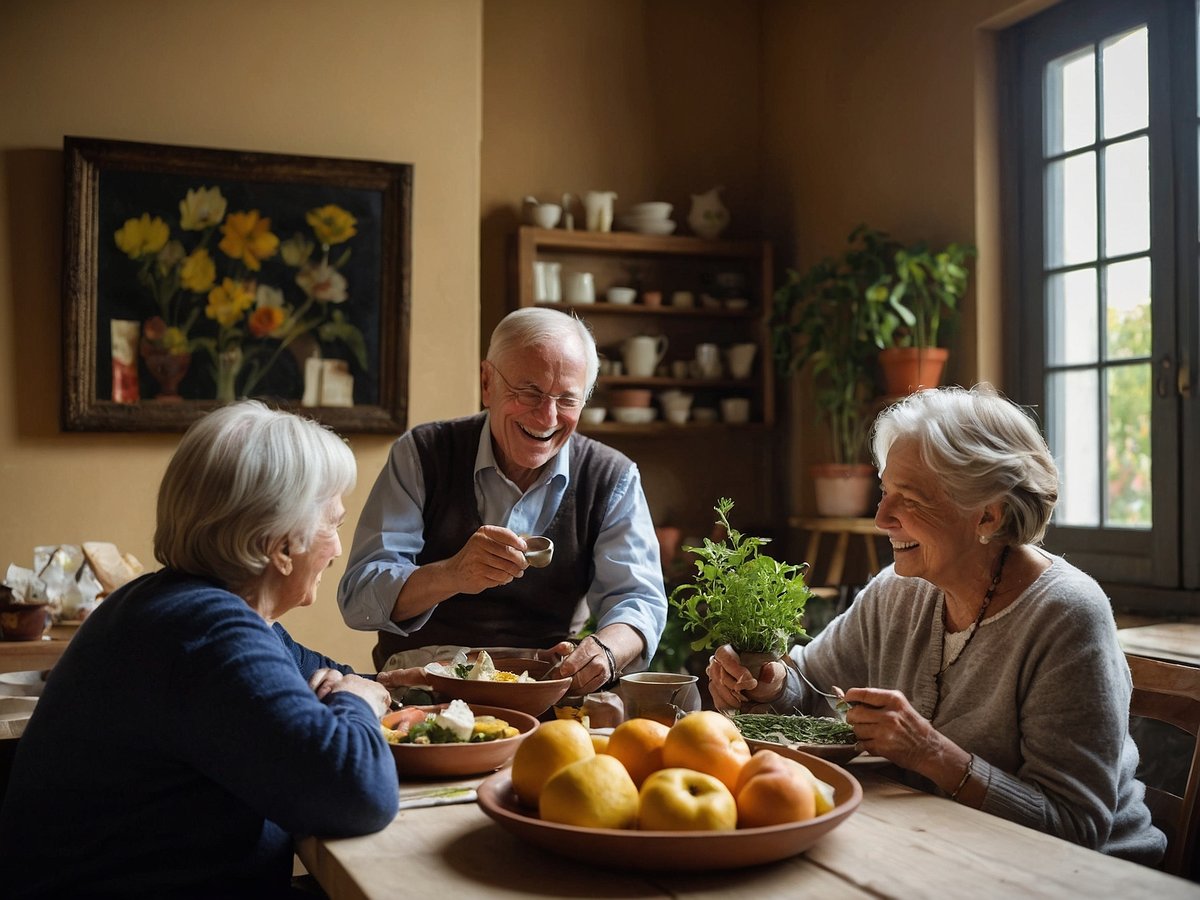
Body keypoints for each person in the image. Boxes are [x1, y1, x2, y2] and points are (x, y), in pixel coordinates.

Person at [707, 385, 1165, 865]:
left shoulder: (1066, 614)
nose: (881, 518)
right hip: (942, 848)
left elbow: (1076, 828)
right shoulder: (898, 590)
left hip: (1082, 879)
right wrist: (770, 686)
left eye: (909, 499)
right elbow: (809, 685)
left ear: (987, 514)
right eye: (885, 492)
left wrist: (930, 752)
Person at [0, 402, 402, 899]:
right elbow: (358, 794)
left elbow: (324, 674)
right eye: (333, 525)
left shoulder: (177, 602)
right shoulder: (205, 632)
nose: (338, 550)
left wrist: (358, 691)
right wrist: (356, 703)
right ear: (280, 545)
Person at [338, 307, 667, 695]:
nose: (546, 416)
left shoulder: (611, 476)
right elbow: (359, 596)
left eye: (567, 399)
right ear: (486, 382)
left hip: (541, 688)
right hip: (421, 685)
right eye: (529, 392)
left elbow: (638, 599)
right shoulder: (422, 454)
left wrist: (606, 652)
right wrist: (451, 575)